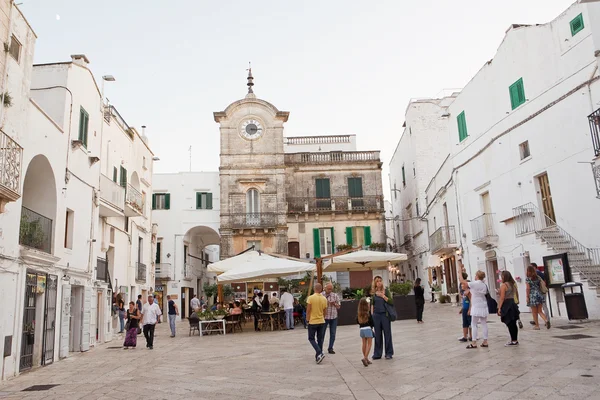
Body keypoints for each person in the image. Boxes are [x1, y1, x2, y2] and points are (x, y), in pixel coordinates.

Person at [458, 267, 489, 349]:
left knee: (474, 323)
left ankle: (474, 342)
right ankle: (485, 341)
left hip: (476, 305)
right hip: (483, 304)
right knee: (484, 323)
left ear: (477, 276)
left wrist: (460, 272)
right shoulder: (484, 285)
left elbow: (462, 282)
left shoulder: (475, 284)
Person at [371, 276, 394, 360]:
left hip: (385, 315)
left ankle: (389, 353)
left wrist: (383, 296)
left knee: (387, 334)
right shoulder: (373, 293)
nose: (379, 282)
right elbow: (372, 305)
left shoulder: (386, 291)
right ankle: (377, 353)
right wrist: (372, 315)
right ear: (375, 283)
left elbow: (391, 302)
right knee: (377, 335)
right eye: (377, 281)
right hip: (376, 315)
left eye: (380, 281)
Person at [306, 283, 328, 364]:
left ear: (314, 289)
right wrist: (323, 317)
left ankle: (319, 352)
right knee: (320, 339)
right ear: (321, 289)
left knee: (311, 338)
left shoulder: (310, 298)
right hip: (321, 321)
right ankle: (318, 356)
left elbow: (308, 310)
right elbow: (325, 311)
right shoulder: (324, 299)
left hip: (313, 321)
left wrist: (307, 319)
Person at [497, 271, 520, 346]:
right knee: (513, 323)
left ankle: (513, 340)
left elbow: (502, 297)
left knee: (509, 323)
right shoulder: (512, 284)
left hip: (507, 304)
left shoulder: (503, 285)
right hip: (512, 303)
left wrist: (499, 307)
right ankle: (515, 339)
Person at [526, 265, 550, 330]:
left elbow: (528, 288)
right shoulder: (538, 277)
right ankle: (546, 320)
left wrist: (527, 297)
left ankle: (537, 326)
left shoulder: (528, 279)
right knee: (540, 311)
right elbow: (542, 284)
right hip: (539, 294)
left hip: (532, 295)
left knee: (534, 312)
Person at [323, 282, 341, 354]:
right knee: (322, 333)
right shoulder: (321, 295)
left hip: (333, 316)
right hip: (325, 316)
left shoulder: (335, 295)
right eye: (328, 289)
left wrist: (334, 304)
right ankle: (320, 347)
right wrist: (327, 303)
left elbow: (339, 306)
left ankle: (330, 348)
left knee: (333, 333)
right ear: (325, 288)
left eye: (331, 289)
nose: (330, 290)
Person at [357, 297, 374, 367]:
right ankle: (365, 357)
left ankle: (366, 358)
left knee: (364, 343)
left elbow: (357, 321)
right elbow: (372, 322)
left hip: (361, 329)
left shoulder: (359, 313)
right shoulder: (368, 313)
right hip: (368, 329)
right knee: (369, 344)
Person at [458, 273, 472, 343]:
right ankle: (465, 336)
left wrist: (470, 309)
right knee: (464, 322)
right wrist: (462, 308)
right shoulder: (464, 292)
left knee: (470, 322)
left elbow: (471, 301)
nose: (461, 286)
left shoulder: (469, 292)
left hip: (468, 308)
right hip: (464, 308)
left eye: (463, 285)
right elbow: (463, 300)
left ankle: (471, 336)